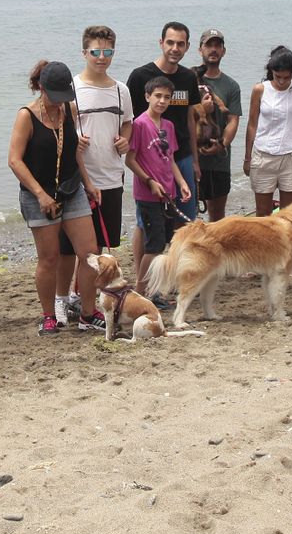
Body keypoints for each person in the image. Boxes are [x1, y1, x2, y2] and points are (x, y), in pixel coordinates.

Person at [8, 61, 102, 334]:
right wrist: (40, 194)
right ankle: (48, 315)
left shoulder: (69, 109)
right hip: (38, 196)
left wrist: (88, 182)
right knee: (48, 258)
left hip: (71, 190)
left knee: (89, 253)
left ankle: (87, 312)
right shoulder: (27, 115)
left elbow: (72, 152)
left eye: (64, 95)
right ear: (40, 87)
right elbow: (14, 161)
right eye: (54, 95)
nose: (58, 102)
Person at [55, 26, 130, 323]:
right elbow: (57, 130)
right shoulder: (72, 89)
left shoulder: (121, 90)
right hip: (77, 180)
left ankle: (88, 305)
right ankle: (61, 300)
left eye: (108, 52)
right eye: (95, 52)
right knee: (67, 249)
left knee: (97, 250)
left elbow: (128, 125)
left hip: (111, 175)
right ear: (84, 52)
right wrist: (76, 139)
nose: (102, 58)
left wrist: (125, 140)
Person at [126, 23, 200, 280]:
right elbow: (130, 121)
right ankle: (142, 279)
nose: (175, 48)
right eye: (170, 42)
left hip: (180, 158)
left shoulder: (189, 78)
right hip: (148, 160)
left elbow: (191, 119)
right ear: (161, 43)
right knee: (144, 224)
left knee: (183, 221)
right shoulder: (139, 76)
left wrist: (195, 160)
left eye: (180, 44)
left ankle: (172, 275)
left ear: (187, 47)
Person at [125, 76, 192, 292]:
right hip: (148, 195)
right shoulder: (139, 124)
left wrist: (182, 183)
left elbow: (170, 159)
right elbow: (130, 160)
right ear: (147, 97)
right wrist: (149, 181)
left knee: (163, 243)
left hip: (168, 193)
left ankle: (153, 290)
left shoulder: (169, 126)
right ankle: (140, 290)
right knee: (153, 245)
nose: (162, 101)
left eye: (166, 97)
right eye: (157, 96)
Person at [244, 46, 292, 215]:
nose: (282, 81)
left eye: (287, 77)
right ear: (271, 71)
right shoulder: (260, 90)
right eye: (278, 77)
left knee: (288, 212)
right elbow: (252, 124)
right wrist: (247, 157)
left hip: (291, 157)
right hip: (263, 156)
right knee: (263, 211)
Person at [193, 29, 243, 220]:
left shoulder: (231, 86)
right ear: (200, 50)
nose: (213, 50)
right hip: (191, 159)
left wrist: (222, 144)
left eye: (217, 46)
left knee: (217, 216)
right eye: (208, 45)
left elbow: (233, 120)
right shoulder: (189, 78)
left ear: (223, 51)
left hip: (219, 161)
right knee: (188, 216)